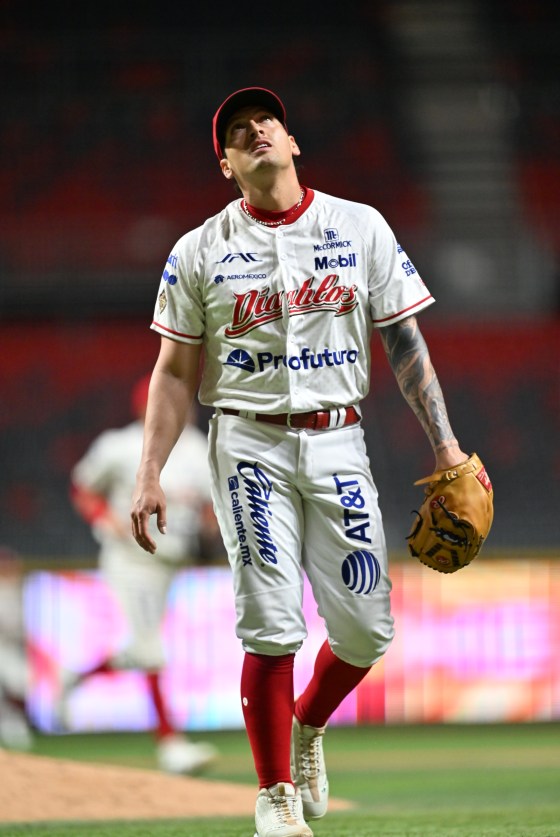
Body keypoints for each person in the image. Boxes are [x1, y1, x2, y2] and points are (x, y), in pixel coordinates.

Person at [131, 87, 472, 836]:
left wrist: (445, 445)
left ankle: (307, 724)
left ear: (292, 142)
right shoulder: (198, 250)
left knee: (367, 631)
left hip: (338, 437)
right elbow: (174, 371)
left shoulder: (360, 226)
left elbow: (404, 341)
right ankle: (275, 793)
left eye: (267, 122)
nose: (256, 131)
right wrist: (150, 470)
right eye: (238, 131)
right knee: (271, 619)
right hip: (247, 441)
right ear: (226, 165)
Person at [62, 373, 220, 775]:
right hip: (129, 560)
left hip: (170, 563)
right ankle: (170, 744)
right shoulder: (119, 445)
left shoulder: (197, 447)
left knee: (141, 649)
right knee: (150, 648)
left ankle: (75, 677)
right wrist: (104, 519)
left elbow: (209, 507)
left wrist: (210, 529)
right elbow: (83, 488)